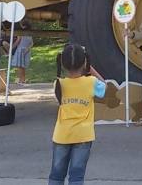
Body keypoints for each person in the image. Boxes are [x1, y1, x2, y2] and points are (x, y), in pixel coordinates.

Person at [51, 43, 106, 185]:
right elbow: (103, 85)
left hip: (61, 135)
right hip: (83, 135)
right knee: (77, 177)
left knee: (56, 175)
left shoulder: (59, 84)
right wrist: (90, 69)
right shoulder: (91, 82)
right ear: (84, 62)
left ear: (62, 64)